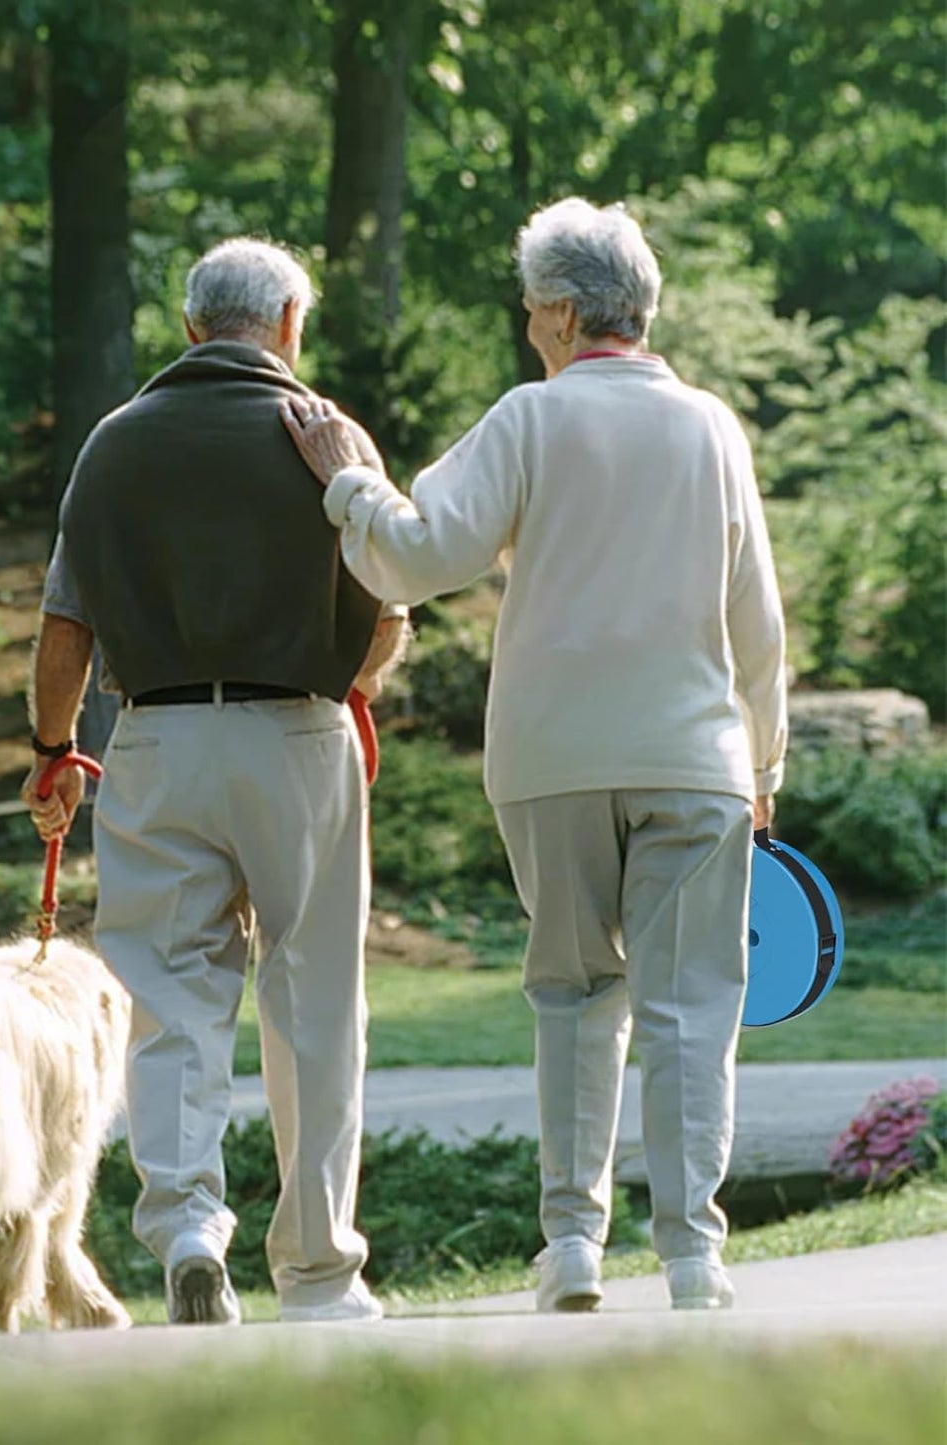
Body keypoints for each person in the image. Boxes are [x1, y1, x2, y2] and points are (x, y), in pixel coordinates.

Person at [283, 198, 788, 1313]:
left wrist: (347, 481)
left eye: (528, 311)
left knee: (569, 992)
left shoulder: (528, 418)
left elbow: (414, 556)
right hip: (694, 755)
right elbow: (755, 618)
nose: (526, 330)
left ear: (561, 312)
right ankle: (693, 1255)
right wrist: (763, 763)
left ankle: (570, 1244)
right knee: (688, 1007)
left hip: (552, 754)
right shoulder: (711, 427)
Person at [22, 237, 408, 1326]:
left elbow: (66, 625)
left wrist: (53, 748)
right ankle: (321, 1270)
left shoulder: (114, 444)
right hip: (299, 733)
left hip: (156, 734)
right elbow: (385, 610)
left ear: (191, 328)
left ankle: (188, 1220)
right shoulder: (327, 434)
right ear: (288, 321)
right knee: (314, 999)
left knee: (168, 993)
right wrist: (356, 683)